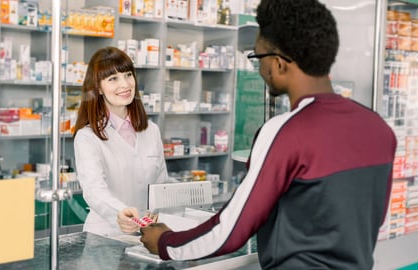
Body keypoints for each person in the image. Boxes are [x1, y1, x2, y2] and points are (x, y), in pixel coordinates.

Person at [140, 0, 397, 269]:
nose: (259, 69)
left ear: (278, 64)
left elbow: (230, 230)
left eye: (257, 58)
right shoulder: (378, 127)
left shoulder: (285, 131)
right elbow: (371, 218)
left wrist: (165, 242)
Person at [73, 46, 168, 236]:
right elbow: (93, 189)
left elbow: (161, 183)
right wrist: (119, 213)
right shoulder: (87, 137)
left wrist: (160, 211)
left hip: (146, 232)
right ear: (98, 88)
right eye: (113, 79)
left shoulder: (151, 130)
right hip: (105, 234)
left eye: (127, 75)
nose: (124, 84)